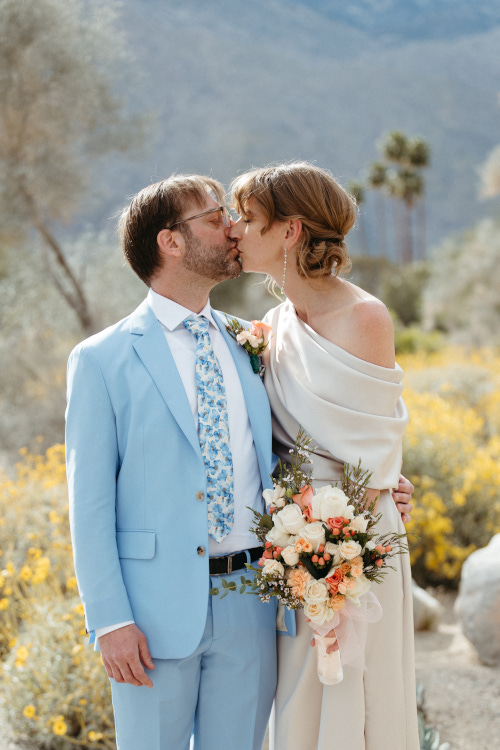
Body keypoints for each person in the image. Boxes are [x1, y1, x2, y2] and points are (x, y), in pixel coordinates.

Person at [65, 173, 414, 750]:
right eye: (213, 216)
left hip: (254, 608)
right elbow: (90, 500)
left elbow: (299, 442)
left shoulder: (251, 342)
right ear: (171, 242)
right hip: (151, 616)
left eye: (237, 216)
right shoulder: (102, 359)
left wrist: (380, 485)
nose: (231, 227)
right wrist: (109, 619)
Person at [229, 162, 420, 750]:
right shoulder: (273, 325)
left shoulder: (365, 317)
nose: (234, 228)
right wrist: (296, 548)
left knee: (356, 691)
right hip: (291, 540)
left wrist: (339, 558)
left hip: (353, 539)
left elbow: (371, 450)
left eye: (248, 218)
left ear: (289, 231)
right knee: (298, 697)